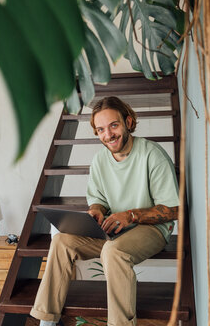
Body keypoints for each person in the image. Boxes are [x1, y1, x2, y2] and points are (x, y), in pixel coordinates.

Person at [30, 96, 179, 326]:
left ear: (128, 122)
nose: (108, 135)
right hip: (114, 229)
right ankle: (47, 321)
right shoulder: (100, 160)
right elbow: (98, 200)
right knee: (61, 241)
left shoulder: (152, 154)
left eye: (113, 125)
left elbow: (172, 210)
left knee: (113, 251)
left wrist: (130, 216)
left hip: (150, 230)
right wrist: (97, 211)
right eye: (100, 129)